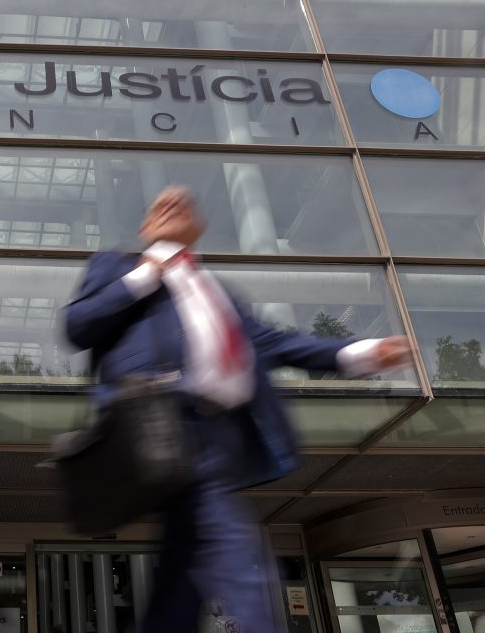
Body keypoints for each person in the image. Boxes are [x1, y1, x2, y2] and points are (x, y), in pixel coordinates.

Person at [64, 185, 412, 633]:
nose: (170, 203)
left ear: (199, 226)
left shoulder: (217, 293)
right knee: (235, 550)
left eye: (182, 203)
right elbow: (78, 326)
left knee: (181, 579)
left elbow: (277, 343)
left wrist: (360, 352)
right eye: (159, 204)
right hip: (159, 422)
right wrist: (147, 274)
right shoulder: (117, 266)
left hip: (219, 435)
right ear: (145, 227)